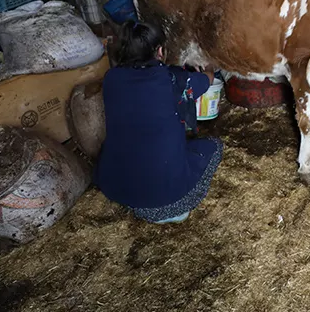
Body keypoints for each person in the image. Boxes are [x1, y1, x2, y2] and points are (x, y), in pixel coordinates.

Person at [95, 20, 223, 224]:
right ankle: (172, 211)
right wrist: (208, 65)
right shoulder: (172, 80)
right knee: (214, 146)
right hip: (168, 199)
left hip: (121, 190)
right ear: (160, 51)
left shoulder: (111, 78)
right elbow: (206, 80)